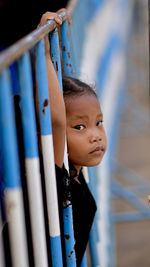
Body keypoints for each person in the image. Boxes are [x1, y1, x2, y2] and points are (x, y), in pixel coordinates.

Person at [38, 11, 107, 267]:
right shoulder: (56, 177)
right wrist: (44, 53)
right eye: (80, 127)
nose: (95, 136)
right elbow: (56, 121)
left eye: (98, 123)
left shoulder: (75, 171)